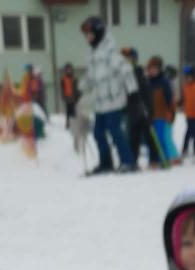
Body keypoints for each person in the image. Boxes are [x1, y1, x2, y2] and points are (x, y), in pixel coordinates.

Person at [80, 15, 136, 173]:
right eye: (85, 35)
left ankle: (128, 161)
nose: (87, 38)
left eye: (89, 34)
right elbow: (90, 77)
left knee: (115, 131)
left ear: (98, 33)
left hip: (114, 100)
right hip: (99, 103)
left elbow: (126, 71)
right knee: (98, 133)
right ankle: (106, 163)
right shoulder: (92, 55)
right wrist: (80, 89)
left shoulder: (110, 52)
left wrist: (132, 92)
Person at [121, 48, 159, 167]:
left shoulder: (139, 72)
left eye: (128, 58)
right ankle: (133, 161)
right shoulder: (123, 75)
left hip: (143, 109)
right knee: (133, 138)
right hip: (132, 111)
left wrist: (148, 109)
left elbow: (146, 92)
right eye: (125, 59)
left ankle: (154, 160)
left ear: (134, 60)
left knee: (149, 136)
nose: (126, 61)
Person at [146, 56, 179, 165]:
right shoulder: (148, 82)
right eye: (151, 69)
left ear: (159, 69)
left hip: (161, 114)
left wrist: (170, 113)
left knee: (161, 137)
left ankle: (165, 159)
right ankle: (154, 160)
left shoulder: (164, 82)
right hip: (151, 115)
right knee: (152, 139)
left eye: (155, 69)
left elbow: (169, 100)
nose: (152, 71)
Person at [181, 65, 195, 159]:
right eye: (187, 77)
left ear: (194, 76)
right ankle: (186, 148)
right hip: (189, 113)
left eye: (190, 77)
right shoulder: (185, 86)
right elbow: (184, 99)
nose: (188, 79)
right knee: (189, 131)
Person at [60, 63, 80, 128]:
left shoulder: (74, 78)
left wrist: (77, 97)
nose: (68, 71)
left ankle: (74, 124)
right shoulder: (63, 79)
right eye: (67, 69)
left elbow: (77, 88)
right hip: (67, 97)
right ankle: (68, 124)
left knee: (73, 111)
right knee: (68, 111)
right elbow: (62, 88)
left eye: (69, 69)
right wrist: (63, 96)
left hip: (73, 97)